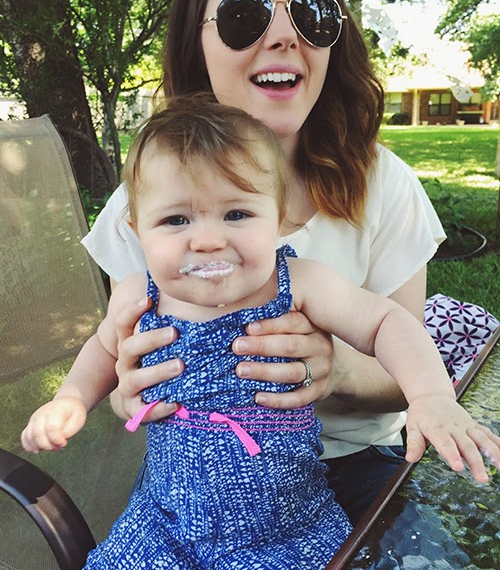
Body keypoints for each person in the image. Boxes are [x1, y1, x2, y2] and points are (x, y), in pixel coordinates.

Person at [78, 0, 496, 525]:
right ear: (198, 41)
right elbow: (119, 351)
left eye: (311, 12)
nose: (283, 35)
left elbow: (403, 365)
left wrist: (336, 368)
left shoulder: (382, 183)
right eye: (245, 13)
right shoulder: (143, 205)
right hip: (196, 478)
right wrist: (125, 385)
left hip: (359, 465)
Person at [21, 98, 500, 570]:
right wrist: (71, 399)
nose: (207, 239)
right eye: (175, 220)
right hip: (165, 527)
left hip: (287, 529)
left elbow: (387, 323)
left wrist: (431, 396)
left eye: (236, 214)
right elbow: (104, 347)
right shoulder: (137, 294)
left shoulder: (298, 284)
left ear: (278, 217)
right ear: (137, 230)